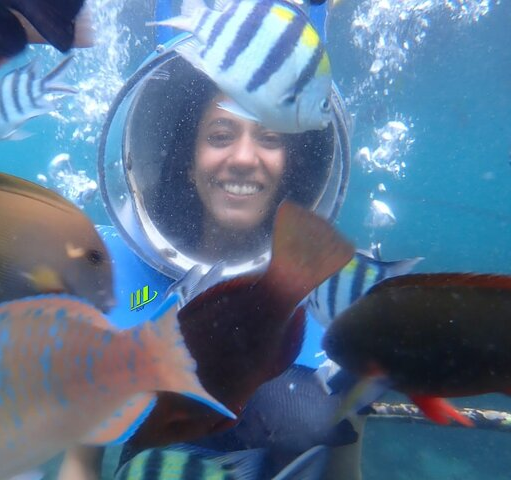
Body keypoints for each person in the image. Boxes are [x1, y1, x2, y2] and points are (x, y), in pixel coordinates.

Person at [59, 1, 353, 478]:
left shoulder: (332, 294)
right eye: (220, 134)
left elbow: (343, 473)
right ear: (188, 158)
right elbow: (80, 465)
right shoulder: (110, 276)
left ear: (291, 162)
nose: (244, 158)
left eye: (270, 138)